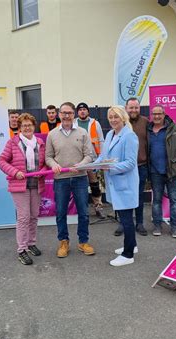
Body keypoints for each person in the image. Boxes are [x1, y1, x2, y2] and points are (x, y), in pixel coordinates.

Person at [45, 102, 95, 258]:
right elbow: (48, 156)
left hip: (80, 178)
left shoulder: (82, 132)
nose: (66, 115)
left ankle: (83, 241)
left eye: (69, 113)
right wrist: (53, 165)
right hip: (61, 179)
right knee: (60, 212)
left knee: (84, 213)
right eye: (63, 112)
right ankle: (63, 241)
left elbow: (90, 155)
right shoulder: (52, 134)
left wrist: (80, 165)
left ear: (74, 114)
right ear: (59, 114)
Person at [0, 113, 47, 265]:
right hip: (20, 186)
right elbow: (1, 161)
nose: (27, 128)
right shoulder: (13, 143)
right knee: (24, 217)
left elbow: (44, 162)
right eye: (24, 125)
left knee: (33, 216)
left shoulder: (40, 142)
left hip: (36, 184)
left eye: (29, 125)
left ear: (34, 126)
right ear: (19, 128)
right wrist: (15, 172)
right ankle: (22, 249)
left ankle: (31, 243)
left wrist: (42, 171)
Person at [95, 106, 139, 266]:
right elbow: (103, 157)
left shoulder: (129, 136)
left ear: (123, 118)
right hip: (115, 184)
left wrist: (109, 167)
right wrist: (88, 166)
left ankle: (128, 255)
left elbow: (130, 163)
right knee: (124, 217)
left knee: (126, 219)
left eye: (116, 117)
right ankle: (132, 245)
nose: (113, 120)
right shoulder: (109, 134)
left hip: (126, 184)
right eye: (110, 117)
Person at [148, 105, 176, 238]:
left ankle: (175, 227)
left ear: (164, 114)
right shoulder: (148, 130)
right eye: (154, 114)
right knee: (157, 201)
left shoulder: (173, 129)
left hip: (172, 172)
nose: (157, 116)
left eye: (159, 114)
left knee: (174, 200)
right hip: (155, 172)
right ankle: (157, 225)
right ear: (152, 115)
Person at [114, 97, 149, 236]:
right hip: (122, 167)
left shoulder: (146, 122)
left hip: (141, 166)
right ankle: (123, 223)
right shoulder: (121, 123)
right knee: (122, 196)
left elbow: (150, 143)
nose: (133, 110)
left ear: (139, 108)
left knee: (138, 196)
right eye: (131, 107)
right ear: (126, 108)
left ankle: (139, 223)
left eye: (136, 107)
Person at [75, 102, 105, 218]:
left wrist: (100, 157)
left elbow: (101, 140)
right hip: (78, 159)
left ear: (88, 111)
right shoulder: (74, 123)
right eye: (80, 109)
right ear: (77, 112)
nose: (82, 111)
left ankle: (98, 207)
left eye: (84, 109)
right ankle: (82, 210)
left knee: (94, 184)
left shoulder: (95, 123)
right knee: (79, 185)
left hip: (92, 159)